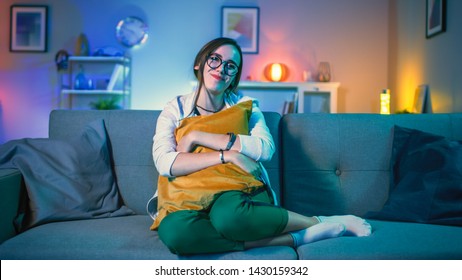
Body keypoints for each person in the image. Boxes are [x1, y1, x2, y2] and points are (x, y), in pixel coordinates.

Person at [150, 37, 371, 255]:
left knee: (231, 219)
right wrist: (228, 156)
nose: (221, 69)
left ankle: (317, 221)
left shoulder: (245, 106)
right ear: (199, 63)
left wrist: (197, 135)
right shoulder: (174, 109)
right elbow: (165, 162)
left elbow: (265, 148)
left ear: (234, 76)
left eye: (230, 66)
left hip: (231, 189)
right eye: (214, 59)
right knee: (176, 234)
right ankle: (296, 237)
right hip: (185, 194)